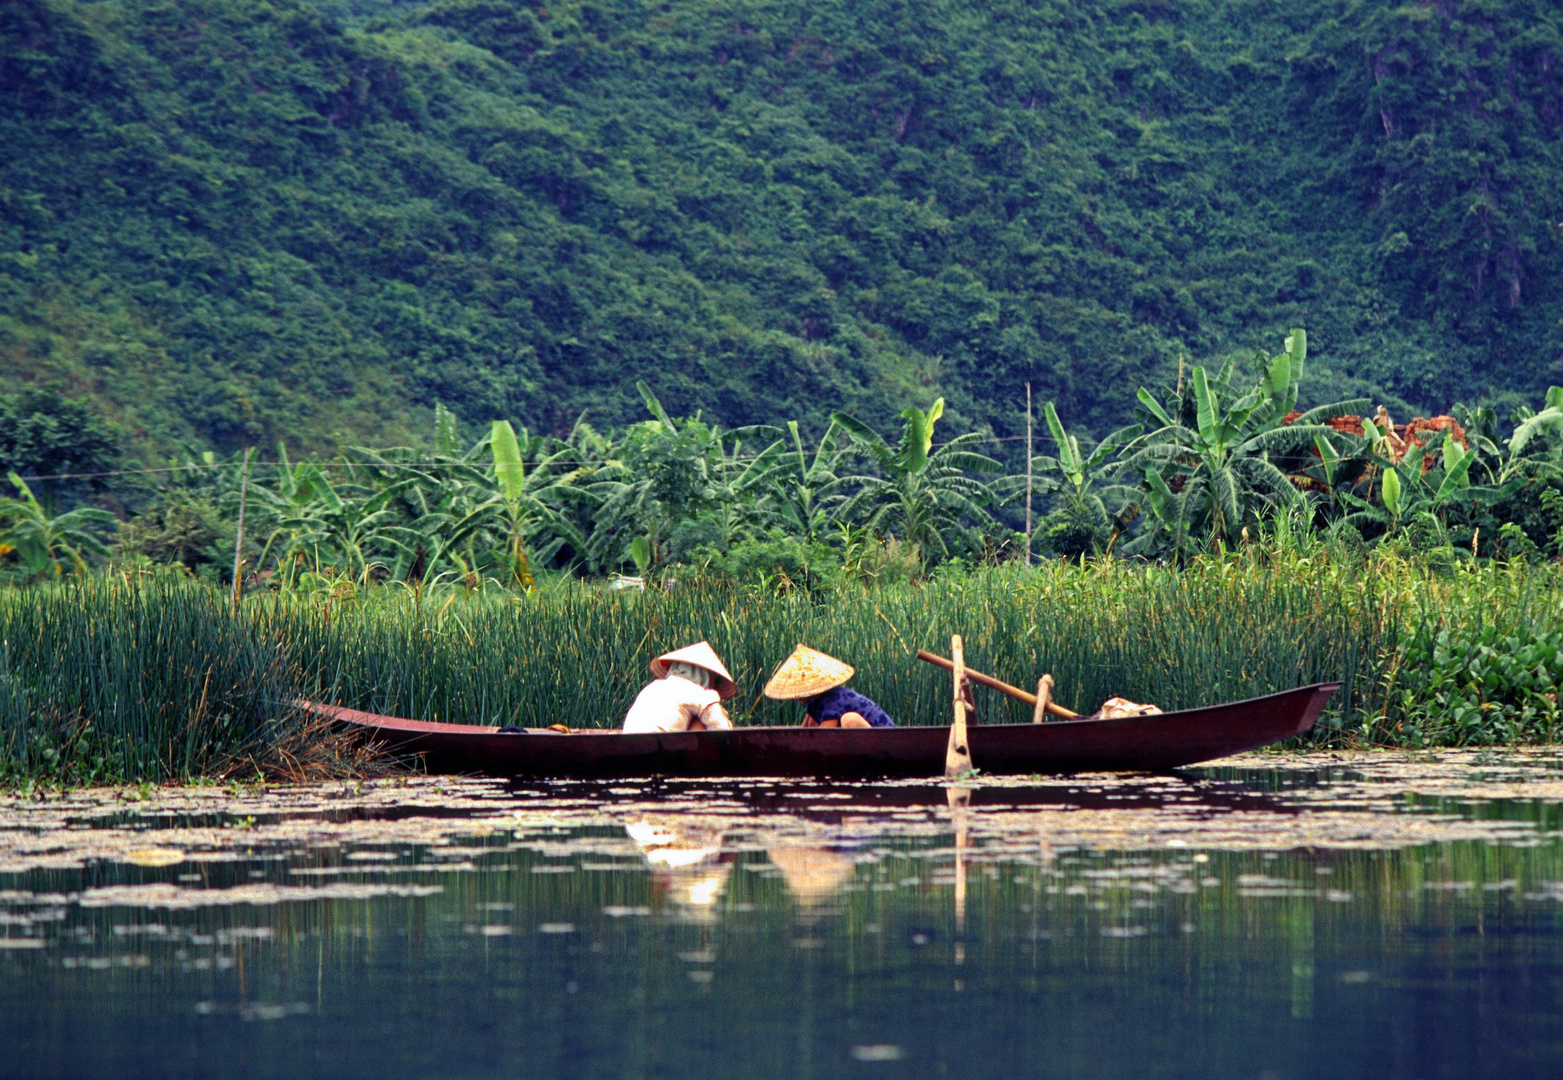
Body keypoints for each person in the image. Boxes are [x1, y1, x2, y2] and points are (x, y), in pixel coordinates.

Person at [762, 644, 895, 728]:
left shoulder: (832, 700)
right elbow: (805, 732)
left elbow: (825, 738)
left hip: (883, 741)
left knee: (849, 719)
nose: (797, 695)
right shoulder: (814, 703)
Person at [622, 641, 737, 734]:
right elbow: (721, 729)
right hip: (657, 753)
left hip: (628, 750)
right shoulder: (696, 691)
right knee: (701, 722)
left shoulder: (652, 687)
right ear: (705, 676)